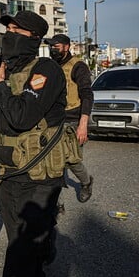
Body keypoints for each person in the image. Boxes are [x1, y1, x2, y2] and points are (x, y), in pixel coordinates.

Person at [0, 11, 67, 277]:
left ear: (33, 38)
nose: (8, 33)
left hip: (40, 176)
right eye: (7, 28)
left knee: (19, 252)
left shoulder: (45, 71)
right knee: (27, 247)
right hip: (9, 173)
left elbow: (21, 117)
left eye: (15, 29)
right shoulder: (8, 70)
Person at [44, 33, 94, 202]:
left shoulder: (78, 66)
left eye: (56, 46)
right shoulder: (51, 66)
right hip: (53, 120)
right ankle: (55, 203)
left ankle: (86, 182)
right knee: (53, 161)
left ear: (66, 47)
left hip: (73, 119)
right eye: (51, 46)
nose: (53, 49)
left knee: (73, 160)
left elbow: (87, 95)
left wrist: (83, 124)